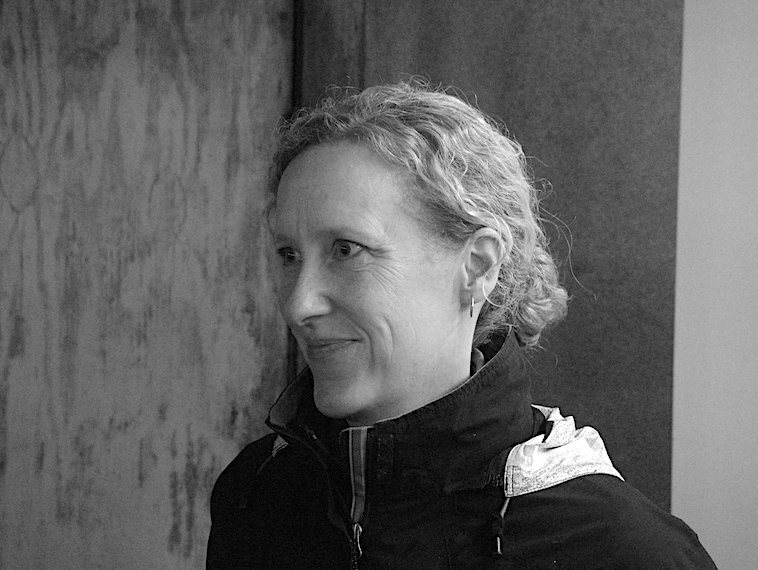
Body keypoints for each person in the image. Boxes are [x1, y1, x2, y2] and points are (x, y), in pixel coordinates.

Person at [206, 81, 716, 569]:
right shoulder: (257, 495)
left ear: (477, 266)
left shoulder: (621, 552)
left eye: (346, 250)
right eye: (288, 255)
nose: (299, 305)